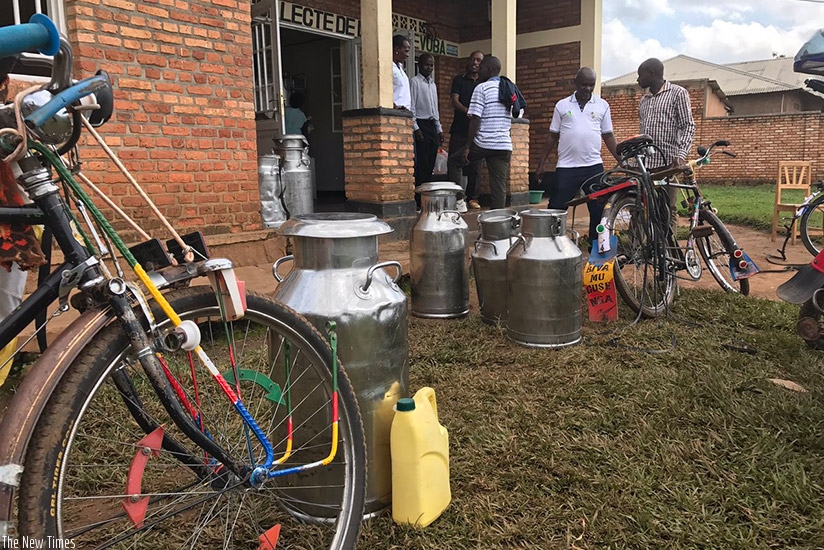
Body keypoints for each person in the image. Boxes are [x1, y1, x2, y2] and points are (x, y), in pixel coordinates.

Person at [535, 67, 619, 241]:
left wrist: (621, 159)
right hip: (567, 167)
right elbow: (552, 136)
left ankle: (596, 246)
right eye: (584, 85)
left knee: (598, 208)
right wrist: (541, 163)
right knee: (556, 208)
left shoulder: (602, 105)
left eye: (591, 85)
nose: (587, 89)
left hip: (593, 167)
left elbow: (608, 135)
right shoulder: (562, 105)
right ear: (575, 83)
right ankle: (551, 244)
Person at [637, 58, 695, 230]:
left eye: (640, 75)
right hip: (645, 166)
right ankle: (641, 251)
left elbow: (688, 126)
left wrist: (681, 155)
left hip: (668, 165)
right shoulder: (644, 100)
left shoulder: (678, 93)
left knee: (667, 210)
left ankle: (669, 251)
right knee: (640, 209)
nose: (638, 79)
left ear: (652, 74)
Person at [460, 56, 514, 210]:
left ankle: (459, 200)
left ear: (489, 70)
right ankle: (497, 224)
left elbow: (475, 118)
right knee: (498, 186)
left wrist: (468, 146)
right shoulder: (509, 88)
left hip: (483, 143)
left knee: (454, 162)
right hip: (503, 146)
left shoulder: (481, 88)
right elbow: (517, 114)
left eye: (482, 67)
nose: (479, 69)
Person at [446, 51, 484, 212]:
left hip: (477, 131)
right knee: (454, 162)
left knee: (476, 166)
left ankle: (473, 198)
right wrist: (469, 111)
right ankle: (457, 198)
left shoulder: (483, 83)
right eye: (472, 59)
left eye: (479, 60)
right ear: (468, 61)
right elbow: (455, 101)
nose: (475, 63)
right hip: (459, 129)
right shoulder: (459, 80)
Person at [409, 53, 444, 194]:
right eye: (426, 64)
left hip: (432, 126)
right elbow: (412, 106)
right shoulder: (415, 82)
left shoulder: (433, 85)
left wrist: (439, 129)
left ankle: (428, 195)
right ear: (419, 65)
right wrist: (416, 127)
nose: (429, 68)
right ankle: (419, 197)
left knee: (431, 162)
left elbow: (435, 109)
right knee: (422, 163)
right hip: (421, 125)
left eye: (431, 65)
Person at [392, 34, 411, 111]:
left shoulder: (400, 67)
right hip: (395, 113)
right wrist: (394, 106)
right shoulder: (389, 67)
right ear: (397, 49)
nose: (408, 55)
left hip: (405, 113)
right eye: (406, 51)